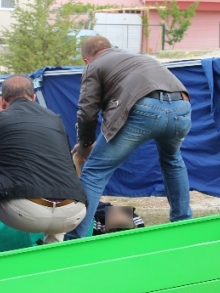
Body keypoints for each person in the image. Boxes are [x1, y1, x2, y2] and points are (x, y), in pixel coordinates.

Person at [69, 36, 192, 239]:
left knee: (94, 173)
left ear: (86, 60)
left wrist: (85, 144)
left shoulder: (94, 65)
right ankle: (183, 223)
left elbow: (87, 111)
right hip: (182, 106)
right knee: (172, 160)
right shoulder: (136, 57)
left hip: (145, 107)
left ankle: (75, 240)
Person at [0, 76, 87, 256]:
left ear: (4, 102)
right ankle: (51, 257)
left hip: (28, 213)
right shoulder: (56, 120)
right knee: (58, 181)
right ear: (33, 98)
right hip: (73, 213)